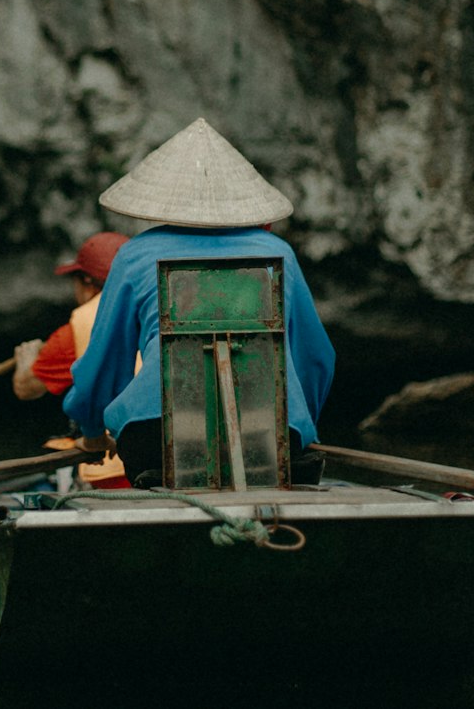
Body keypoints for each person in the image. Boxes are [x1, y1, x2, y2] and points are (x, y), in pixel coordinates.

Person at [63, 117, 335, 487]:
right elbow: (316, 358)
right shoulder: (278, 254)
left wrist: (93, 428)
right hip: (271, 435)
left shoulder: (135, 256)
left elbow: (104, 364)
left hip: (154, 435)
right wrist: (300, 424)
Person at [12, 230, 130, 400]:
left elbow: (26, 387)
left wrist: (27, 358)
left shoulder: (75, 335)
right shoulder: (156, 306)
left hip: (116, 425)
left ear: (87, 284)